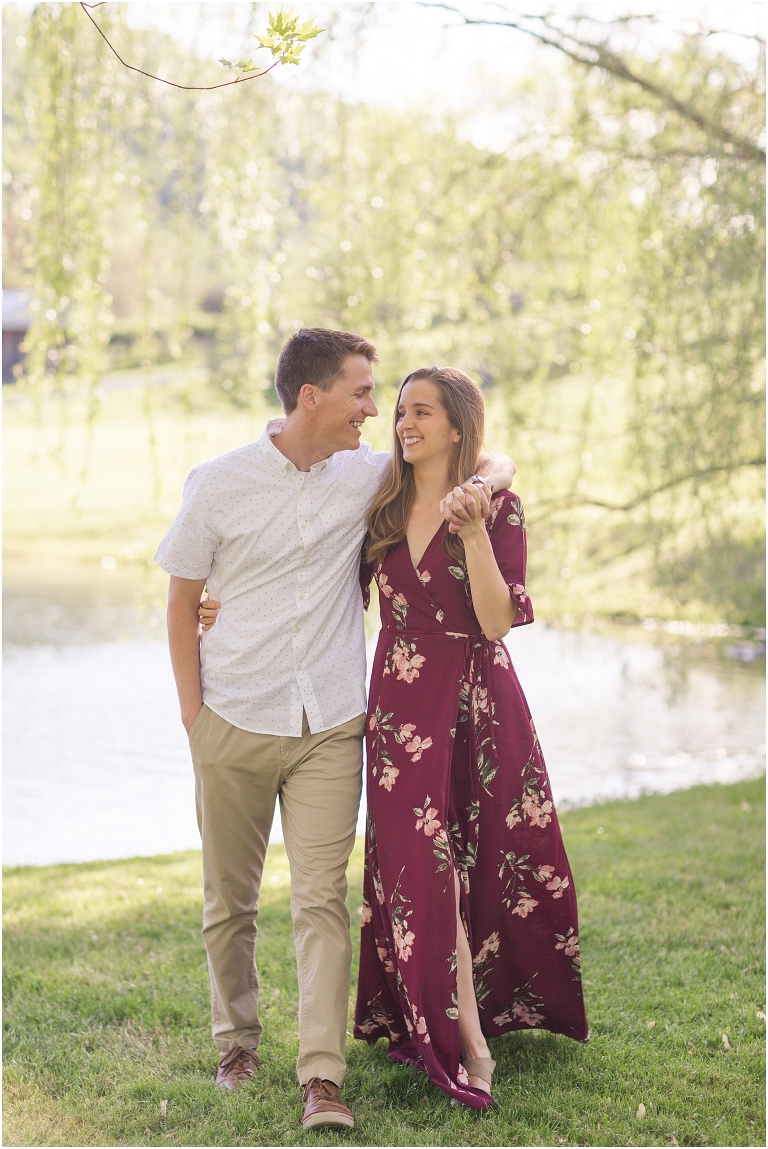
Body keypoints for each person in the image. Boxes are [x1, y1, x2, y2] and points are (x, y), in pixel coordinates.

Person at [155, 329, 514, 1131]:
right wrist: (194, 718)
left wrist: (493, 480)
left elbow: (472, 460)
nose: (375, 411)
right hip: (233, 717)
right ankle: (237, 1044)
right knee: (229, 903)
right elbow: (182, 603)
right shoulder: (218, 484)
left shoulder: (368, 475)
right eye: (361, 392)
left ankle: (321, 1074)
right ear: (311, 396)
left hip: (331, 723)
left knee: (321, 898)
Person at [353, 366, 588, 1109]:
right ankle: (468, 1041)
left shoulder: (499, 506)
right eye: (399, 412)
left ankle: (477, 1020)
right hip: (398, 712)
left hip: (479, 704)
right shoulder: (381, 499)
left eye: (421, 412)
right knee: (422, 871)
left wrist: (477, 528)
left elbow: (495, 621)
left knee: (480, 862)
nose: (404, 424)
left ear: (458, 425)